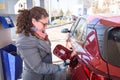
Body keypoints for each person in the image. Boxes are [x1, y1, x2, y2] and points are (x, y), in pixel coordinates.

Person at [15, 6, 68, 80]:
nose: (46, 27)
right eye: (44, 24)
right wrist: (58, 67)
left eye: (47, 24)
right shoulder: (25, 40)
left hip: (46, 75)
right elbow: (38, 67)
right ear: (33, 21)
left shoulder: (38, 32)